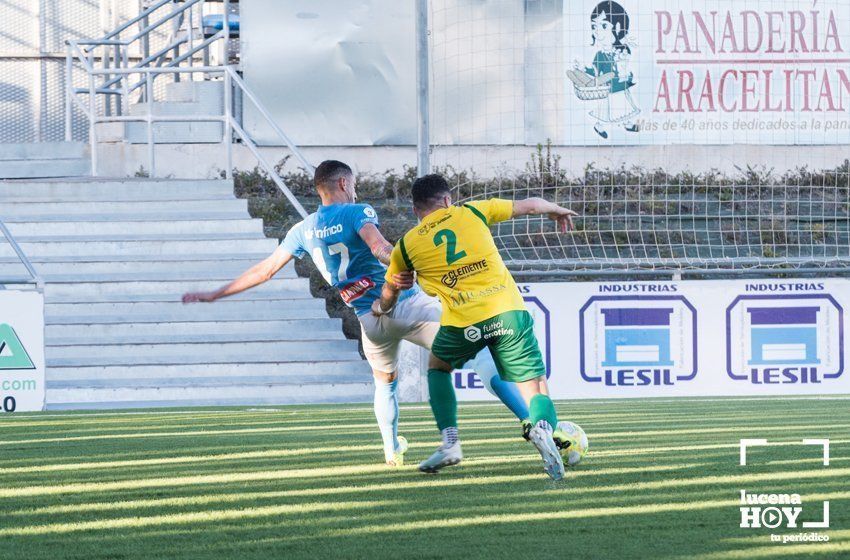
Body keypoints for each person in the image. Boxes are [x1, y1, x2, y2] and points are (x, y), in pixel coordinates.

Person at [182, 160, 530, 466]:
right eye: (355, 184)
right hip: (403, 304)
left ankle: (392, 451)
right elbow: (379, 247)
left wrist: (216, 294)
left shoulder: (301, 231)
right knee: (480, 353)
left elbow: (266, 270)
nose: (356, 190)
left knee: (385, 383)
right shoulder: (357, 211)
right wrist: (409, 260)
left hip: (369, 321)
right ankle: (532, 423)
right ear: (345, 184)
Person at [373, 173, 578, 480]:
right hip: (507, 313)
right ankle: (544, 430)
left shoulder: (406, 246)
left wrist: (381, 307)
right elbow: (530, 206)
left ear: (416, 210)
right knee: (535, 386)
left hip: (462, 325)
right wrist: (554, 209)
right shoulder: (472, 211)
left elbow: (390, 292)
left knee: (438, 369)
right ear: (446, 200)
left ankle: (450, 442)